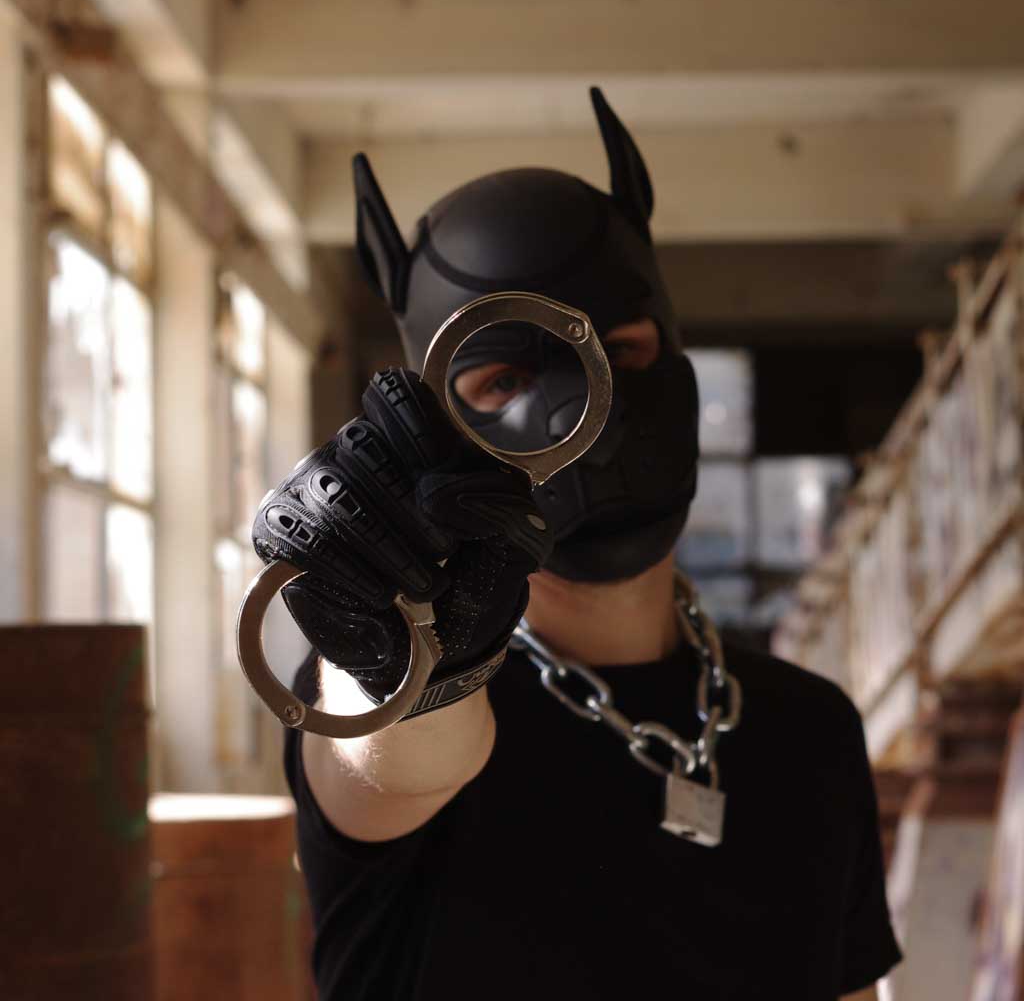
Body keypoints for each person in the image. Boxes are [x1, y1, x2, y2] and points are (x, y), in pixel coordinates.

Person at [252, 88, 902, 1000]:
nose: (580, 418)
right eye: (502, 380)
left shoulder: (811, 734)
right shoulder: (419, 692)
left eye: (619, 353)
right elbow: (392, 759)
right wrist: (397, 647)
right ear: (439, 419)